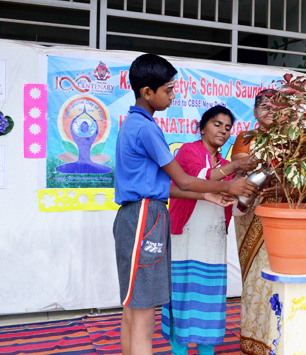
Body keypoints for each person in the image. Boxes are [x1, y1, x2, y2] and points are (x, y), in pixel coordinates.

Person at [113, 53, 257, 355]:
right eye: (168, 90)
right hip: (146, 218)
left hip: (135, 216)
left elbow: (170, 187)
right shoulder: (148, 128)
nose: (172, 95)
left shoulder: (132, 123)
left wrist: (206, 195)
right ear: (147, 92)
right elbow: (184, 181)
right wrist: (226, 184)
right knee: (143, 315)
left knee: (132, 305)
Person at [162, 106, 258, 355]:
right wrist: (234, 173)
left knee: (209, 305)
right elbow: (199, 177)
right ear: (202, 127)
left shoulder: (226, 165)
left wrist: (250, 194)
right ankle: (178, 352)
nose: (223, 131)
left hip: (213, 242)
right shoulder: (188, 151)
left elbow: (235, 209)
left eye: (228, 128)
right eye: (217, 124)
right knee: (181, 301)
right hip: (184, 237)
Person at [230, 89, 280, 355]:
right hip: (251, 213)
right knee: (254, 279)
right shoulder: (246, 137)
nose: (270, 110)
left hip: (282, 214)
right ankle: (254, 339)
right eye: (264, 105)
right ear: (255, 111)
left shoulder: (293, 140)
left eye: (276, 106)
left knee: (280, 277)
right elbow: (238, 164)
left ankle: (281, 337)